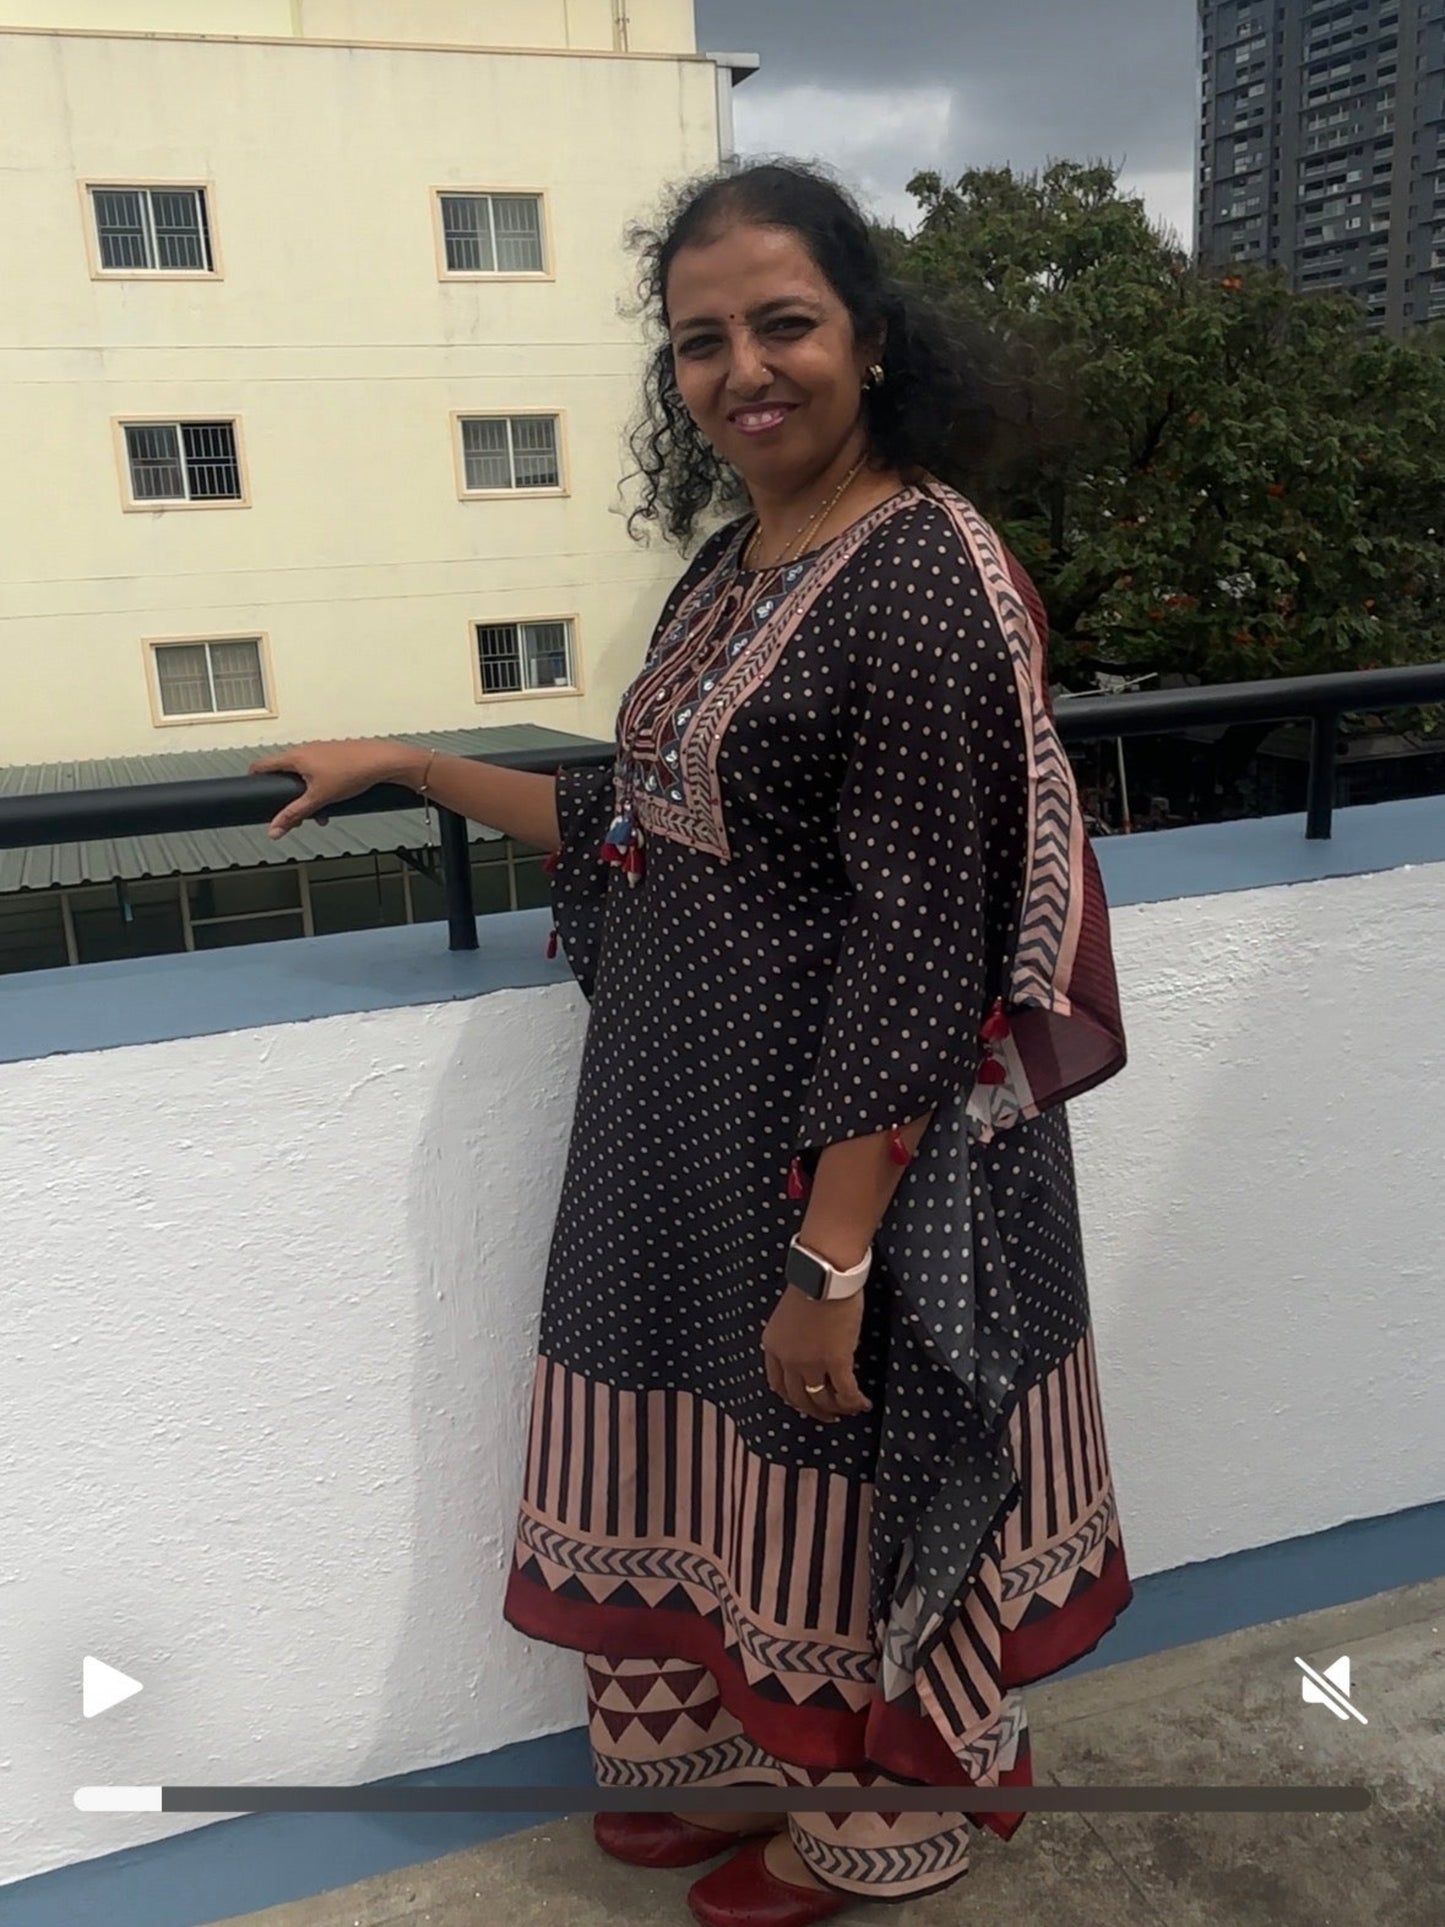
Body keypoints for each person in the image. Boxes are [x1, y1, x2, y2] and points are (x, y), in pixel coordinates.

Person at [254, 160, 1131, 1926]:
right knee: (709, 1455)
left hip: (852, 1159)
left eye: (782, 325)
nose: (742, 370)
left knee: (829, 1455)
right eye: (698, 341)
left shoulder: (923, 573)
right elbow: (636, 825)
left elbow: (921, 949)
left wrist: (832, 1259)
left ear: (869, 339)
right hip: (685, 1127)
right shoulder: (740, 561)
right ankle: (732, 1763)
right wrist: (416, 765)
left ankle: (878, 1828)